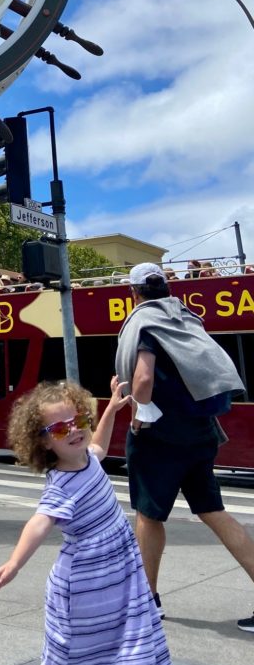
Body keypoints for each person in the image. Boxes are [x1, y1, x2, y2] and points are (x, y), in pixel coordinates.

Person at [0, 377, 171, 665]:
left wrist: (112, 409)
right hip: (88, 576)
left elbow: (100, 446)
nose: (73, 430)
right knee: (85, 642)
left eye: (78, 419)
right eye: (59, 428)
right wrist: (14, 563)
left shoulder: (87, 458)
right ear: (43, 441)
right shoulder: (61, 485)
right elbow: (40, 522)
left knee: (120, 628)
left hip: (115, 567)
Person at [115, 261, 254, 632]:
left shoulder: (146, 324)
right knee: (214, 511)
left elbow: (142, 377)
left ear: (135, 293)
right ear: (166, 288)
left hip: (161, 437)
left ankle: (149, 600)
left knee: (149, 515)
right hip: (200, 433)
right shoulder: (188, 319)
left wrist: (140, 415)